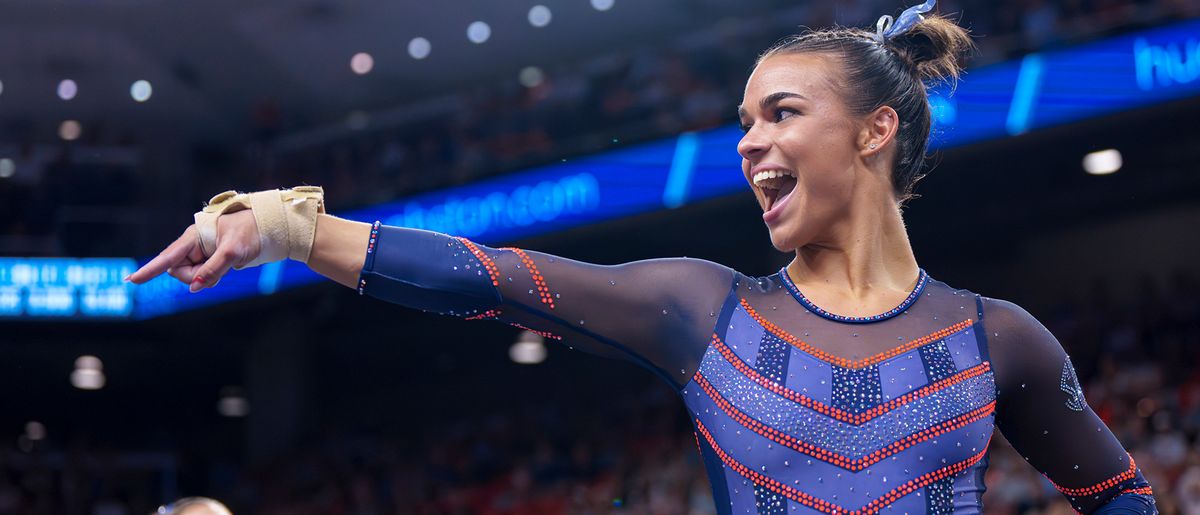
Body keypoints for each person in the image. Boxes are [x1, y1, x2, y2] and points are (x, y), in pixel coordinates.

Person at [127, 1, 1158, 512]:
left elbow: (1124, 502)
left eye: (781, 113)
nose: (748, 141)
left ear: (875, 131)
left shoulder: (998, 340)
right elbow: (489, 277)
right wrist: (287, 226)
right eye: (742, 119)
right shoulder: (702, 310)